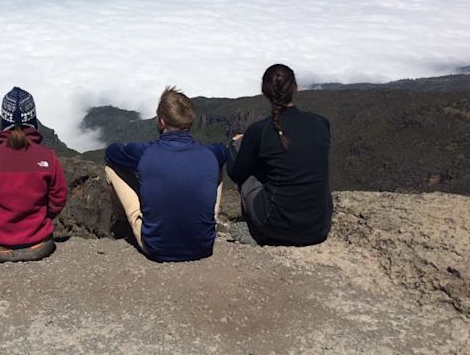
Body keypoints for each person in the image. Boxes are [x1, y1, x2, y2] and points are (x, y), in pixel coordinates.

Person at [104, 86, 228, 262]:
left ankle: (123, 225)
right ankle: (208, 222)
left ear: (161, 122)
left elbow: (111, 153)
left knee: (111, 169)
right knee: (217, 166)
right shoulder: (210, 152)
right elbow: (224, 151)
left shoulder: (145, 153)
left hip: (156, 247)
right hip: (203, 246)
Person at [227, 63, 332, 246]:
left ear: (264, 91)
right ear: (296, 87)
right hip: (318, 228)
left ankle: (255, 230)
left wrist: (236, 145)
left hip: (275, 226)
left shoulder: (258, 131)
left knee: (240, 152)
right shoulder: (322, 124)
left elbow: (237, 174)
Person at [0, 87, 67, 263]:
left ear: (4, 119)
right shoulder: (48, 157)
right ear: (32, 118)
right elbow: (59, 198)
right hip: (38, 246)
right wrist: (42, 217)